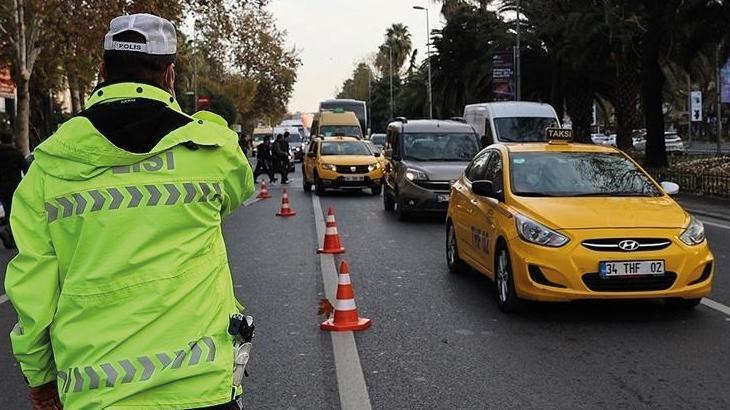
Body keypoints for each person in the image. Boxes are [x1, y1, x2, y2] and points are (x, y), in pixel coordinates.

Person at [5, 14, 254, 410]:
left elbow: (33, 291)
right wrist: (207, 122)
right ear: (170, 74)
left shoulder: (47, 165)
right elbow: (240, 187)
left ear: (102, 70)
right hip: (201, 389)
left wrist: (39, 377)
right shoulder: (211, 150)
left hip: (96, 393)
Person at [0, 130, 29, 248]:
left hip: (1, 188)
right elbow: (26, 169)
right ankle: (9, 232)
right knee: (15, 213)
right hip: (14, 187)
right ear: (12, 141)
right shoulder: (16, 154)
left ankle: (9, 234)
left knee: (8, 212)